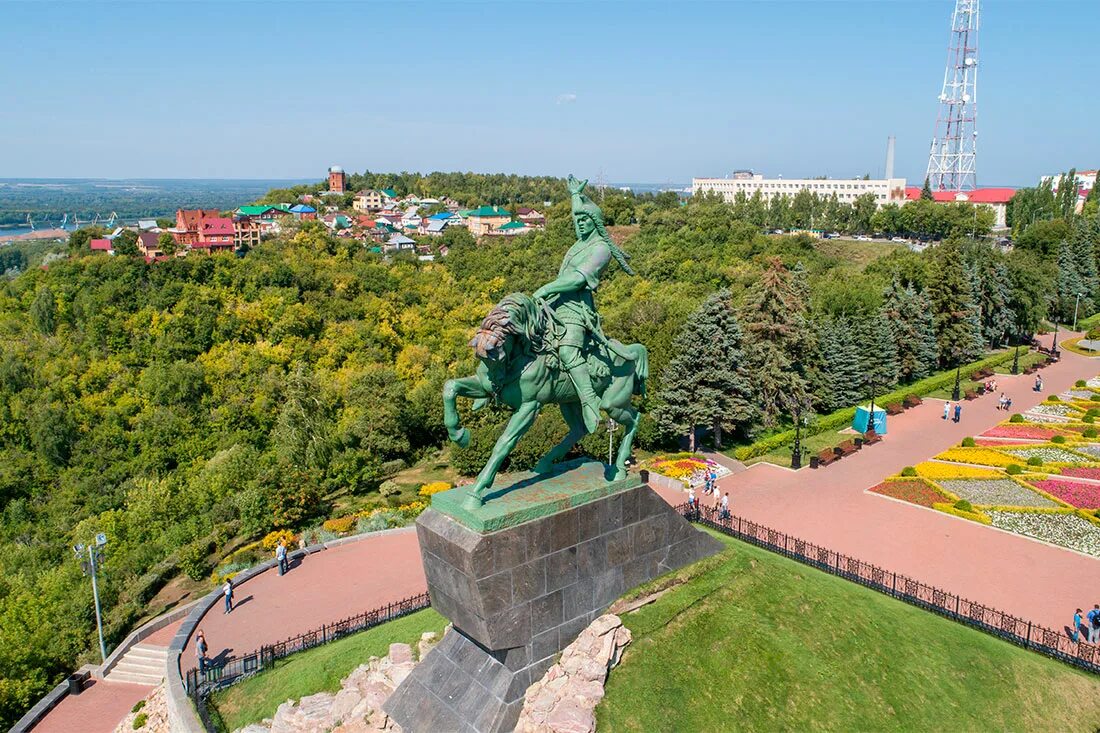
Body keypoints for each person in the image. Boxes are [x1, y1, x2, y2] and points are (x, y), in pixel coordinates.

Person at [531, 175, 636, 434]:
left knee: (567, 351)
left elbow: (579, 278)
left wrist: (546, 288)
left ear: (595, 223)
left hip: (577, 309)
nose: (578, 224)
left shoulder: (601, 249)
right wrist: (575, 195)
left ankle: (588, 400)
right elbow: (578, 211)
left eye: (584, 220)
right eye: (576, 221)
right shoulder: (579, 243)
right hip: (555, 304)